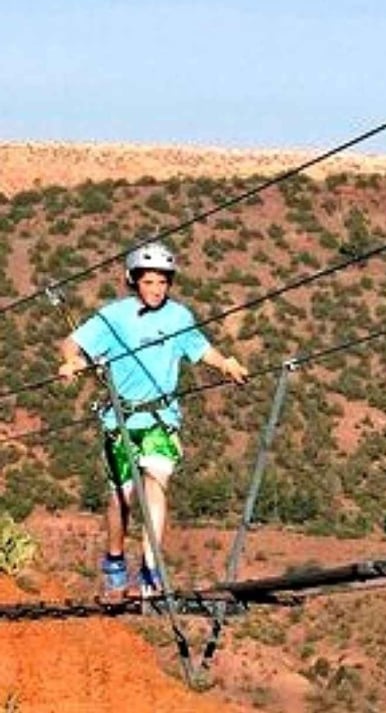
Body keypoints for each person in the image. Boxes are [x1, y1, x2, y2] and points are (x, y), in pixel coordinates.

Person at [57, 241, 249, 598]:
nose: (157, 290)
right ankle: (115, 563)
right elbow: (72, 343)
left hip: (161, 417)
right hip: (121, 420)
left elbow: (199, 348)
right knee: (124, 497)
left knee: (156, 483)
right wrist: (71, 362)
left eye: (162, 282)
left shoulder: (179, 317)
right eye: (149, 282)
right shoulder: (113, 317)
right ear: (133, 281)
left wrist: (226, 363)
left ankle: (150, 570)